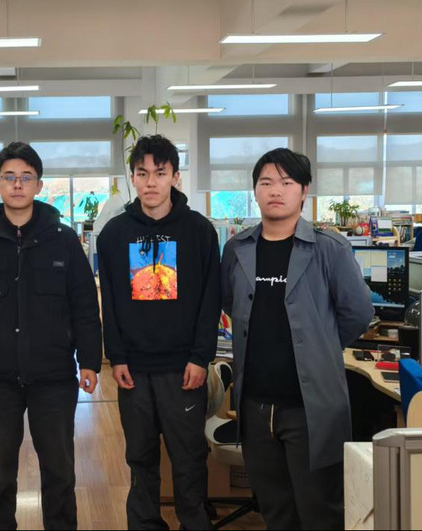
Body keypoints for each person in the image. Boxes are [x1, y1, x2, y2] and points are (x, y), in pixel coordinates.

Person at [221, 148, 373, 529]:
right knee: (275, 512)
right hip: (255, 407)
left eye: (286, 182)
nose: (276, 190)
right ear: (255, 191)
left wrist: (319, 346)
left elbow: (358, 312)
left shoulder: (329, 249)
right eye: (266, 182)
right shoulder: (237, 250)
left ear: (304, 190)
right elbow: (230, 302)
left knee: (320, 512)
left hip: (310, 409)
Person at [0, 141, 102, 530]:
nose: (17, 184)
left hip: (54, 376)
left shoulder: (63, 240)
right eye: (9, 177)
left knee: (60, 473)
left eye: (26, 177)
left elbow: (85, 305)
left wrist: (89, 360)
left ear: (39, 185)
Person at [97, 134, 220, 530]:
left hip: (183, 369)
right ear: (132, 177)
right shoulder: (113, 234)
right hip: (134, 369)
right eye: (142, 173)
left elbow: (210, 300)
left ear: (175, 177)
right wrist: (116, 356)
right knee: (140, 458)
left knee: (188, 458)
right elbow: (110, 302)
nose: (151, 182)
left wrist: (200, 357)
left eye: (160, 173)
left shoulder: (200, 231)